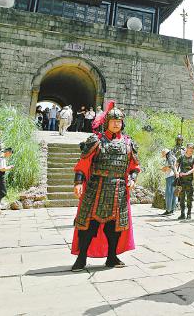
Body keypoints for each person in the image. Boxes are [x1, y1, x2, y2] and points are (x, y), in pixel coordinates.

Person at [70, 102, 140, 272]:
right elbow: (83, 163)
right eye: (113, 121)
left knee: (114, 227)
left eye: (119, 121)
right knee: (88, 225)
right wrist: (78, 182)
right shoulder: (96, 141)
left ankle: (111, 257)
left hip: (119, 190)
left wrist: (132, 178)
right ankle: (81, 258)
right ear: (107, 122)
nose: (116, 123)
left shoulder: (128, 143)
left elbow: (134, 167)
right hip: (96, 187)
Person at [177, 143, 194, 219]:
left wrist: (187, 173)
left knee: (189, 198)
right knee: (181, 198)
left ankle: (189, 213)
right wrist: (177, 173)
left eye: (193, 148)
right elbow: (176, 165)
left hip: (189, 180)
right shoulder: (181, 157)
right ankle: (182, 214)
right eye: (190, 148)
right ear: (187, 148)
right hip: (181, 180)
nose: (191, 149)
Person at [160, 148, 176, 215]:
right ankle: (172, 210)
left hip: (170, 177)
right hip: (174, 176)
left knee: (169, 194)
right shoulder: (174, 157)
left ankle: (168, 210)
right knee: (173, 194)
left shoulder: (169, 158)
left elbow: (170, 166)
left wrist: (163, 168)